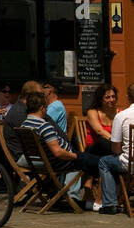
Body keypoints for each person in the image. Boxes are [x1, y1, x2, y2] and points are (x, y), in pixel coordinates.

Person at [21, 90, 101, 206]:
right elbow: (58, 152)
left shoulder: (25, 125)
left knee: (89, 154)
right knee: (101, 162)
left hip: (44, 161)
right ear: (42, 108)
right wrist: (75, 156)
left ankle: (85, 197)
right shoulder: (44, 126)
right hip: (60, 161)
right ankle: (98, 201)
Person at [98, 84, 134, 215]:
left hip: (130, 164)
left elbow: (116, 149)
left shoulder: (122, 116)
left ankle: (110, 204)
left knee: (104, 162)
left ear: (128, 98)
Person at [2, 79, 43, 161]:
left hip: (32, 154)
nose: (42, 98)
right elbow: (34, 140)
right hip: (24, 156)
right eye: (39, 95)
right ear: (29, 96)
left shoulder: (29, 109)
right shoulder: (20, 112)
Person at [86, 84, 118, 158]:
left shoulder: (119, 113)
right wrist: (115, 142)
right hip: (94, 149)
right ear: (100, 99)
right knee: (102, 141)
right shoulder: (93, 112)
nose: (111, 100)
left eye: (113, 96)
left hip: (112, 148)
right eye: (107, 97)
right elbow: (99, 131)